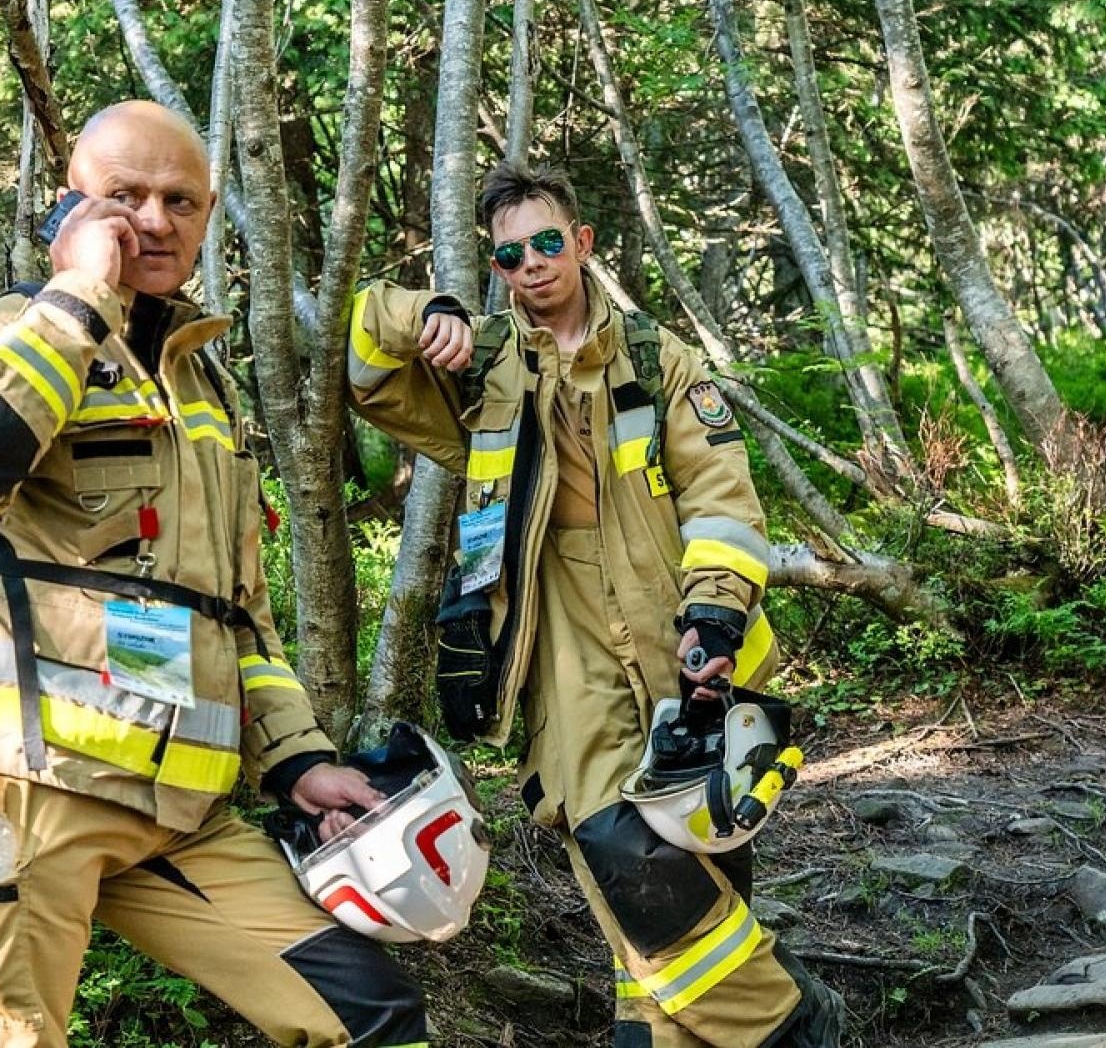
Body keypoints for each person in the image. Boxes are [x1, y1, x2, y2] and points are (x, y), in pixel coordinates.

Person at [0, 100, 429, 1048]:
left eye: (179, 199)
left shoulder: (200, 383)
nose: (153, 219)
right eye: (123, 196)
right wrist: (78, 295)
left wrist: (299, 760)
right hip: (21, 779)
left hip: (175, 804)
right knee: (1, 1036)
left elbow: (235, 612)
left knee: (369, 1014)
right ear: (71, 208)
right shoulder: (21, 326)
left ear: (210, 213)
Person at [346, 162, 843, 1047]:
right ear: (496, 270)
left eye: (546, 243)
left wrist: (718, 614)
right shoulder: (485, 367)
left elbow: (723, 499)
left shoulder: (659, 359)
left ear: (581, 243)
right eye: (509, 256)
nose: (531, 264)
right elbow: (368, 372)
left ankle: (648, 1030)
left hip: (679, 634)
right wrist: (425, 313)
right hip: (559, 638)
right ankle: (785, 1022)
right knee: (613, 837)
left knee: (699, 863)